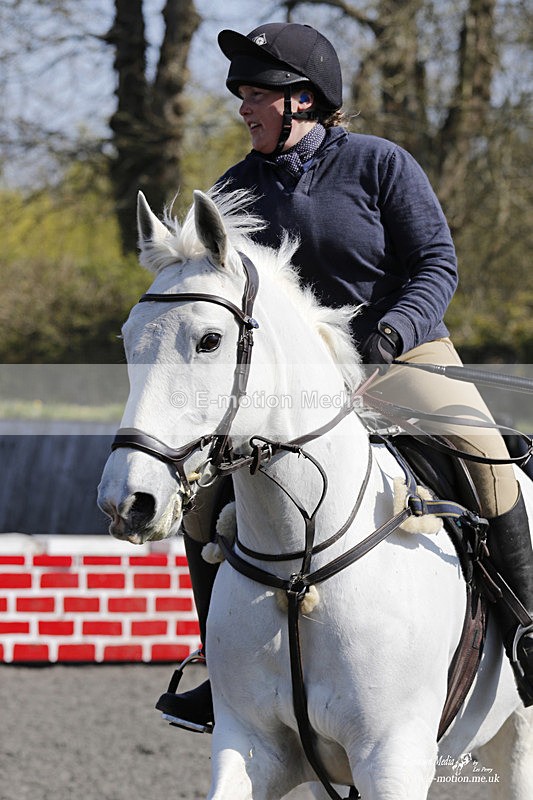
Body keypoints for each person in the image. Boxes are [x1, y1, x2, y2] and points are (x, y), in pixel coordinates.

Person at [161, 22, 533, 729]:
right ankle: (220, 667)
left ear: (303, 100)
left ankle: (527, 633)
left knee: (488, 459)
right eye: (241, 94)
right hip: (294, 386)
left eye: (258, 95)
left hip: (400, 354)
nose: (244, 107)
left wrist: (390, 336)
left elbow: (435, 265)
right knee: (204, 497)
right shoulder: (233, 189)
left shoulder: (379, 164)